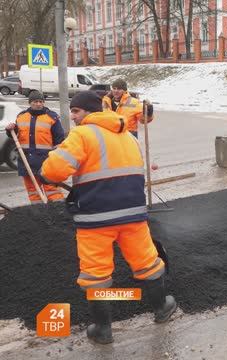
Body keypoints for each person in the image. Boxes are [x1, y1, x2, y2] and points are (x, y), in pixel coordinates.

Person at [38, 91, 176, 344]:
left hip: (96, 219)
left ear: (90, 111)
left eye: (76, 111)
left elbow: (53, 171)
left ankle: (103, 329)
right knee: (147, 262)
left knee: (96, 274)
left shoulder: (81, 135)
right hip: (133, 215)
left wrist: (48, 168)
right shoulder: (129, 137)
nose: (73, 116)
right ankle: (162, 308)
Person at [4, 91, 65, 203]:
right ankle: (38, 215)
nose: (38, 104)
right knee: (33, 191)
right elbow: (16, 136)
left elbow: (60, 140)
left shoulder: (52, 117)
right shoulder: (21, 117)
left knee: (52, 189)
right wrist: (10, 130)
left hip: (46, 161)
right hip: (26, 160)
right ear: (30, 103)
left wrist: (57, 158)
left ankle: (59, 213)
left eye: (41, 101)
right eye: (35, 101)